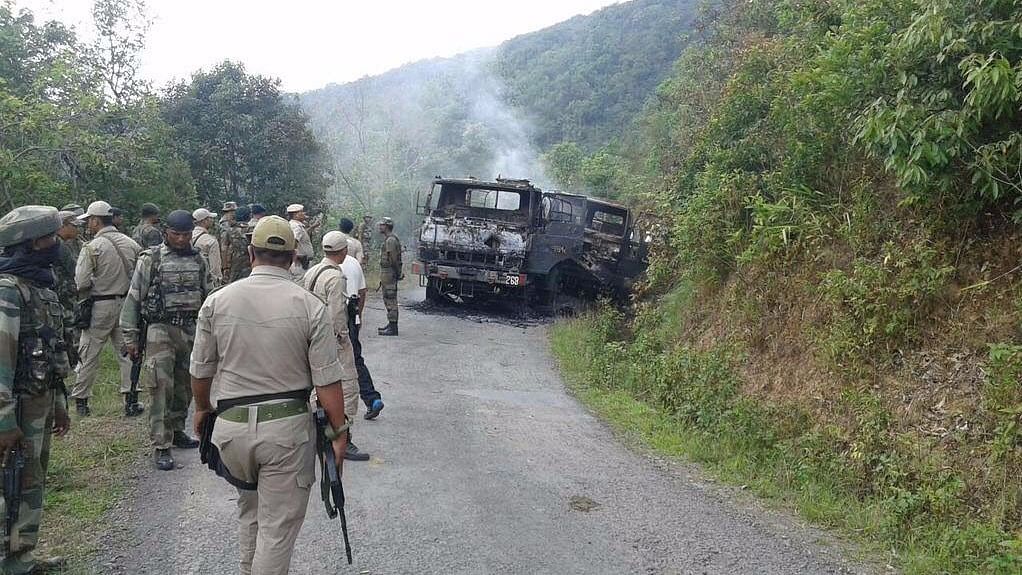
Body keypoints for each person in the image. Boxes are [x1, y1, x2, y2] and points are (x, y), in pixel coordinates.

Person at [190, 216, 351, 575]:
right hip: (285, 436)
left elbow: (200, 371)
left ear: (250, 253)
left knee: (251, 513)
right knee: (276, 531)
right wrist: (339, 434)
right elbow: (327, 382)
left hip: (231, 432)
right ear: (294, 258)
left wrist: (202, 410)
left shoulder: (218, 302)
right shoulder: (310, 307)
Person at [0, 206, 73, 574]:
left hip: (41, 400)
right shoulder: (9, 291)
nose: (56, 243)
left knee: (30, 482)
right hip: (17, 406)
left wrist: (60, 402)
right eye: (49, 238)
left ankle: (20, 557)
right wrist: (4, 420)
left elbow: (53, 350)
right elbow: (2, 360)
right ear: (29, 245)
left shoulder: (40, 288)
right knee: (8, 487)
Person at [122, 210, 210, 471]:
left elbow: (208, 296)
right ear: (166, 233)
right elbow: (134, 298)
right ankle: (161, 444)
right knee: (161, 387)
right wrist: (130, 336)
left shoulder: (199, 259)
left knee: (185, 385)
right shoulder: (151, 259)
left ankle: (177, 429)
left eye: (186, 235)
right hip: (160, 330)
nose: (182, 239)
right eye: (176, 234)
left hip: (191, 329)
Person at [71, 201, 143, 417]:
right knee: (128, 353)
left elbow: (81, 282)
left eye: (89, 221)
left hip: (99, 307)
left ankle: (82, 402)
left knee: (89, 353)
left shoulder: (92, 247)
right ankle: (131, 400)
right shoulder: (132, 244)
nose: (87, 225)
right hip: (127, 306)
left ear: (95, 220)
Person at [305, 231, 368, 460]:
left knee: (315, 389)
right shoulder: (335, 277)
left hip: (310, 338)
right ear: (343, 252)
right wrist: (343, 339)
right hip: (331, 342)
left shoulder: (312, 272)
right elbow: (336, 315)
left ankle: (317, 436)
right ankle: (343, 438)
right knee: (348, 389)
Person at [338, 234, 385, 420]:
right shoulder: (355, 264)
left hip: (332, 320)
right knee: (356, 359)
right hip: (351, 317)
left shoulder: (324, 267)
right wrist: (358, 315)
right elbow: (362, 292)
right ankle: (372, 399)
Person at [53, 212, 82, 365]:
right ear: (63, 226)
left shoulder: (57, 243)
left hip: (61, 294)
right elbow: (74, 269)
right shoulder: (59, 245)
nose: (77, 230)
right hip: (63, 296)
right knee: (69, 328)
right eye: (74, 226)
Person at [378, 216, 402, 336]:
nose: (380, 226)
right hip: (387, 272)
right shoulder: (389, 239)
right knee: (387, 298)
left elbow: (393, 259)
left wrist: (397, 273)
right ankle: (390, 324)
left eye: (382, 225)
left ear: (387, 226)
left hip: (389, 272)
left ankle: (393, 327)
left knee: (390, 298)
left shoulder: (391, 240)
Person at [191, 208, 223, 287]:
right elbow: (215, 268)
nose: (212, 220)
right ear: (204, 221)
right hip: (206, 283)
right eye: (210, 218)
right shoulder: (210, 241)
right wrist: (217, 283)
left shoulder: (187, 236)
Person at [221, 205, 252, 284]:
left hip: (234, 265)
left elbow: (224, 249)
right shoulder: (253, 230)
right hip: (250, 264)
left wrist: (225, 268)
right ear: (249, 216)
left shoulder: (229, 231)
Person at [286, 204, 315, 271]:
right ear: (296, 215)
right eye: (301, 212)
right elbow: (294, 242)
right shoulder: (296, 227)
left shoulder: (295, 225)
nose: (303, 213)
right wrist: (295, 257)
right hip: (300, 263)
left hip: (303, 262)